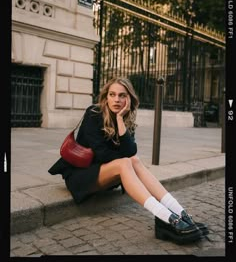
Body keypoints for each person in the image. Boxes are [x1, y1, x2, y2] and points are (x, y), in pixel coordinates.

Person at [48, 77, 208, 245]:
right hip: (81, 176)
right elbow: (102, 155)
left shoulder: (126, 117)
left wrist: (119, 120)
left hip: (106, 173)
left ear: (128, 98)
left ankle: (180, 213)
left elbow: (131, 152)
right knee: (126, 162)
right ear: (106, 97)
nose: (116, 99)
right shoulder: (93, 113)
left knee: (134, 160)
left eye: (122, 95)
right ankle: (167, 218)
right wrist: (125, 157)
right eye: (112, 94)